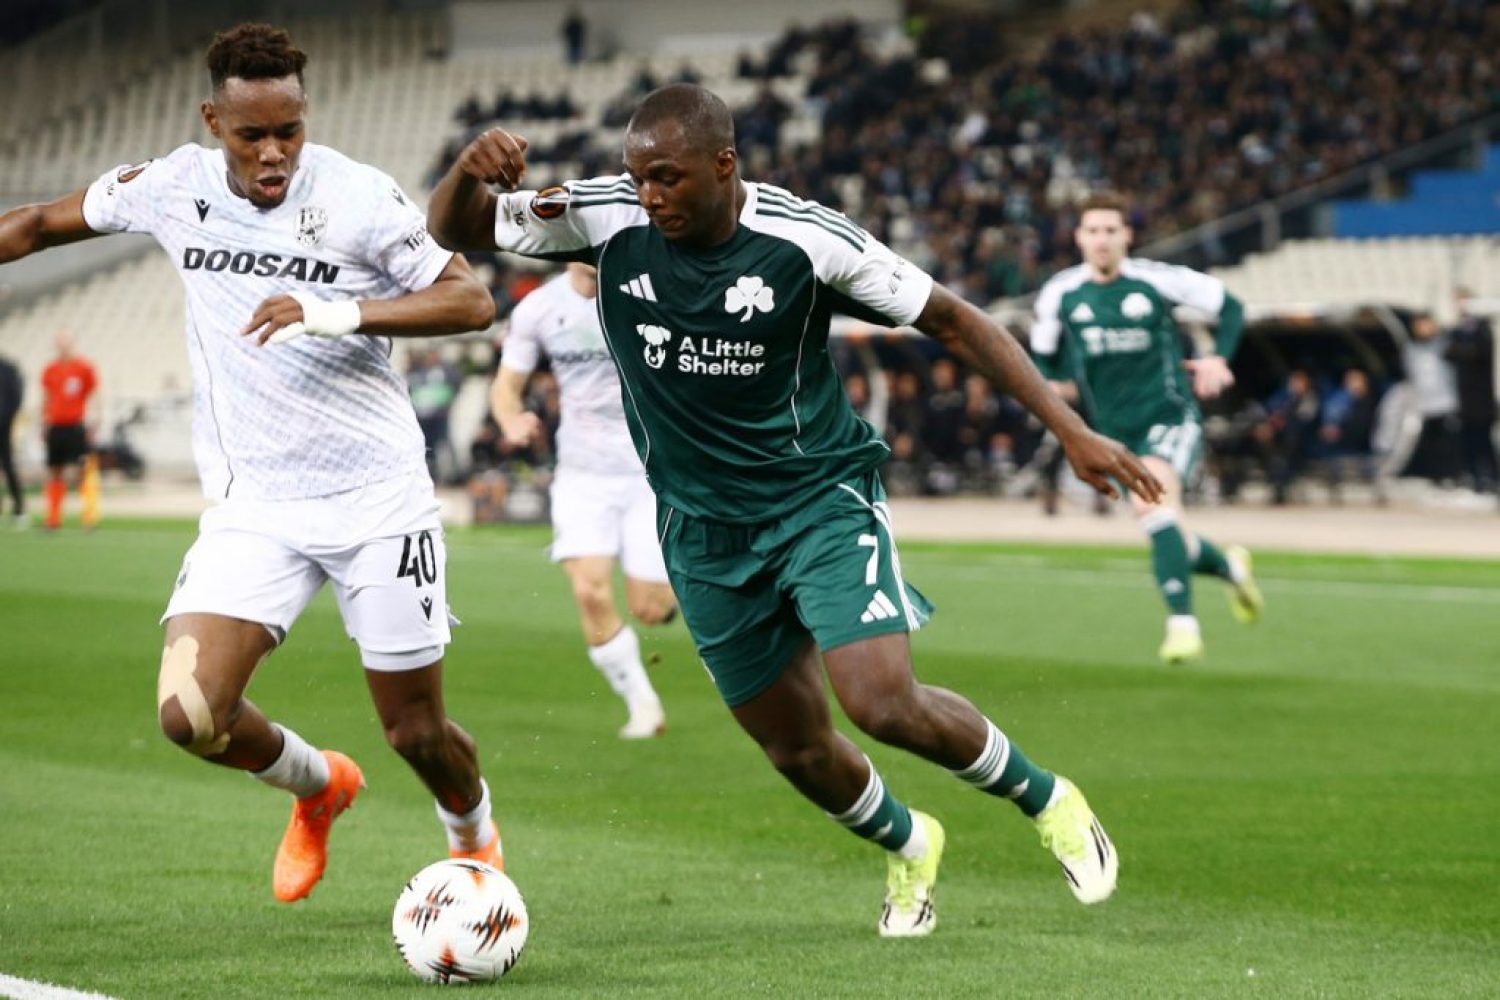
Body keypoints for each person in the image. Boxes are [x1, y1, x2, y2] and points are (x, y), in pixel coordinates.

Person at [428, 84, 1162, 937]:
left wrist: (1071, 430)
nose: (650, 196)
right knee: (796, 748)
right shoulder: (604, 216)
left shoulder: (807, 240)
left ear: (724, 164)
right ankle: (909, 842)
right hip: (700, 528)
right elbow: (456, 229)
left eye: (667, 178)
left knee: (881, 702)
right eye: (638, 179)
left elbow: (956, 322)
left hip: (817, 501)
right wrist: (466, 171)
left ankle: (1046, 799)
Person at [0, 23, 501, 902]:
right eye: (251, 134)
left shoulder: (356, 195)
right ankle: (319, 786)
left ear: (306, 118)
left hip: (377, 497)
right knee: (190, 715)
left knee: (416, 733)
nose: (274, 153)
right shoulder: (174, 186)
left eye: (289, 131)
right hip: (255, 506)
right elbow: (38, 224)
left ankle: (474, 838)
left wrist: (335, 312)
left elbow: (470, 299)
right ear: (213, 123)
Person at [1032, 191, 1264, 665]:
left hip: (1169, 417)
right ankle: (1230, 568)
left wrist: (1218, 357)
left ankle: (1183, 625)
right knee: (1167, 529)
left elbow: (1231, 306)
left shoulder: (1157, 280)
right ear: (1078, 237)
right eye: (1093, 231)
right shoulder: (1060, 293)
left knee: (1151, 503)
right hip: (1111, 434)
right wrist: (1053, 388)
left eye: (1110, 230)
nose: (1102, 239)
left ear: (1127, 235)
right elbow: (1043, 359)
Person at [493, 262, 677, 739]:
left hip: (649, 470)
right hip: (581, 474)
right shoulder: (539, 308)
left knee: (651, 607)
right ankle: (643, 704)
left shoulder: (652, 290)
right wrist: (511, 420)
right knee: (588, 591)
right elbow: (506, 387)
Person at [38, 330, 100, 530]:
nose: (62, 346)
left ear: (72, 344)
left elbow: (94, 394)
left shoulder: (84, 368)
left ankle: (89, 516)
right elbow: (46, 397)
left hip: (76, 425)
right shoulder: (50, 369)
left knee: (82, 469)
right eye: (59, 342)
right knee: (55, 470)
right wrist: (43, 421)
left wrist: (95, 420)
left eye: (66, 342)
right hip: (56, 425)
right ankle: (53, 517)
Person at [1444, 289, 1497, 495]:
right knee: (1466, 441)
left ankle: (1492, 478)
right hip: (1463, 398)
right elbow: (1448, 352)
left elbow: (1478, 352)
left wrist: (1462, 350)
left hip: (1481, 399)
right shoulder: (1456, 330)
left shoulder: (1483, 328)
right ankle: (1474, 478)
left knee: (1484, 440)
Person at [0, 352, 24, 526]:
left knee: (8, 466)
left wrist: (5, 419)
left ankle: (19, 509)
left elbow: (15, 397)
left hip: (4, 426)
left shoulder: (8, 369)